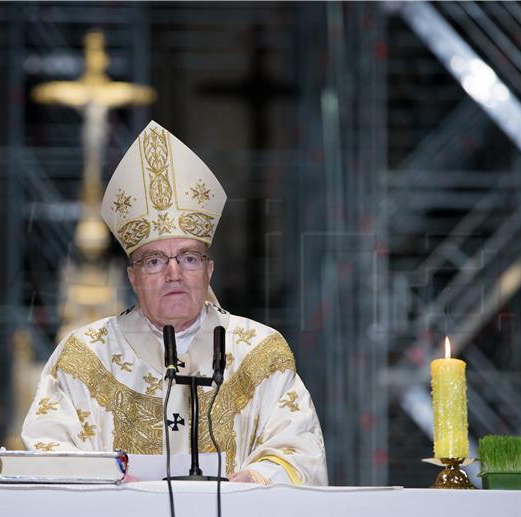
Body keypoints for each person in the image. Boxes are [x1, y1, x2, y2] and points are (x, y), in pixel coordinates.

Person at [21, 121, 327, 485]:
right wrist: (109, 481)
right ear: (132, 277)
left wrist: (253, 479)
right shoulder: (83, 357)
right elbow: (46, 451)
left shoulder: (260, 353)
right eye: (154, 261)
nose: (174, 272)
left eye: (189, 258)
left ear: (208, 271)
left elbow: (300, 452)